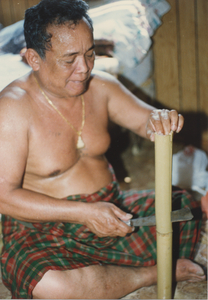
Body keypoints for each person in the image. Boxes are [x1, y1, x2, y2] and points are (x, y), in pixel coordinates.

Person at [0, 0, 205, 298]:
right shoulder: (12, 108)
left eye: (90, 53)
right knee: (52, 285)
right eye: (69, 60)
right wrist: (83, 214)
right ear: (34, 58)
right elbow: (4, 197)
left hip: (112, 212)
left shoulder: (102, 87)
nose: (84, 69)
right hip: (43, 229)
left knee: (181, 206)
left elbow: (146, 120)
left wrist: (161, 119)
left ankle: (105, 277)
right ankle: (149, 274)